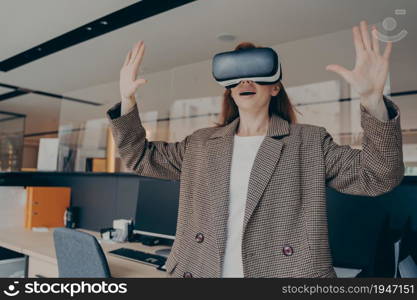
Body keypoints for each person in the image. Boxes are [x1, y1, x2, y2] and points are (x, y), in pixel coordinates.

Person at [106, 21, 404, 278]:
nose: (246, 81)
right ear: (229, 88)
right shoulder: (200, 144)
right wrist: (127, 101)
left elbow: (378, 176)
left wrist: (372, 100)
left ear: (274, 87)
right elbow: (139, 157)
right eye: (236, 75)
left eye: (256, 73)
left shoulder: (309, 143)